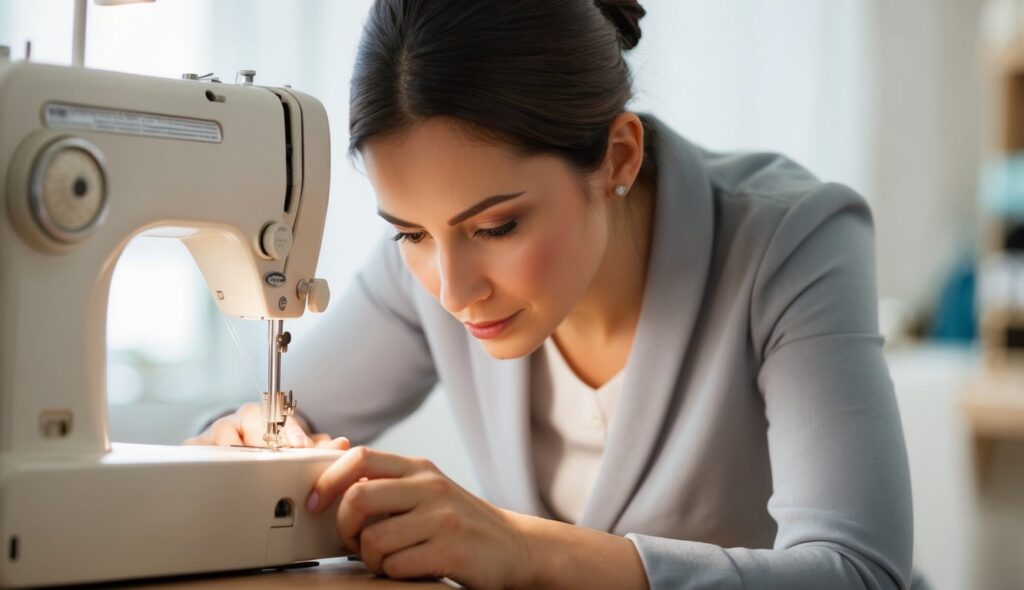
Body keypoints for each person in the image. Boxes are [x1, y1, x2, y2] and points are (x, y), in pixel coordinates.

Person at [187, 1, 914, 588]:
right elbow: (259, 420)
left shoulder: (791, 242)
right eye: (409, 233)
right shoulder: (429, 272)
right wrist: (239, 442)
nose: (453, 290)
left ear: (618, 156)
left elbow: (857, 572)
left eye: (497, 226)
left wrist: (530, 552)